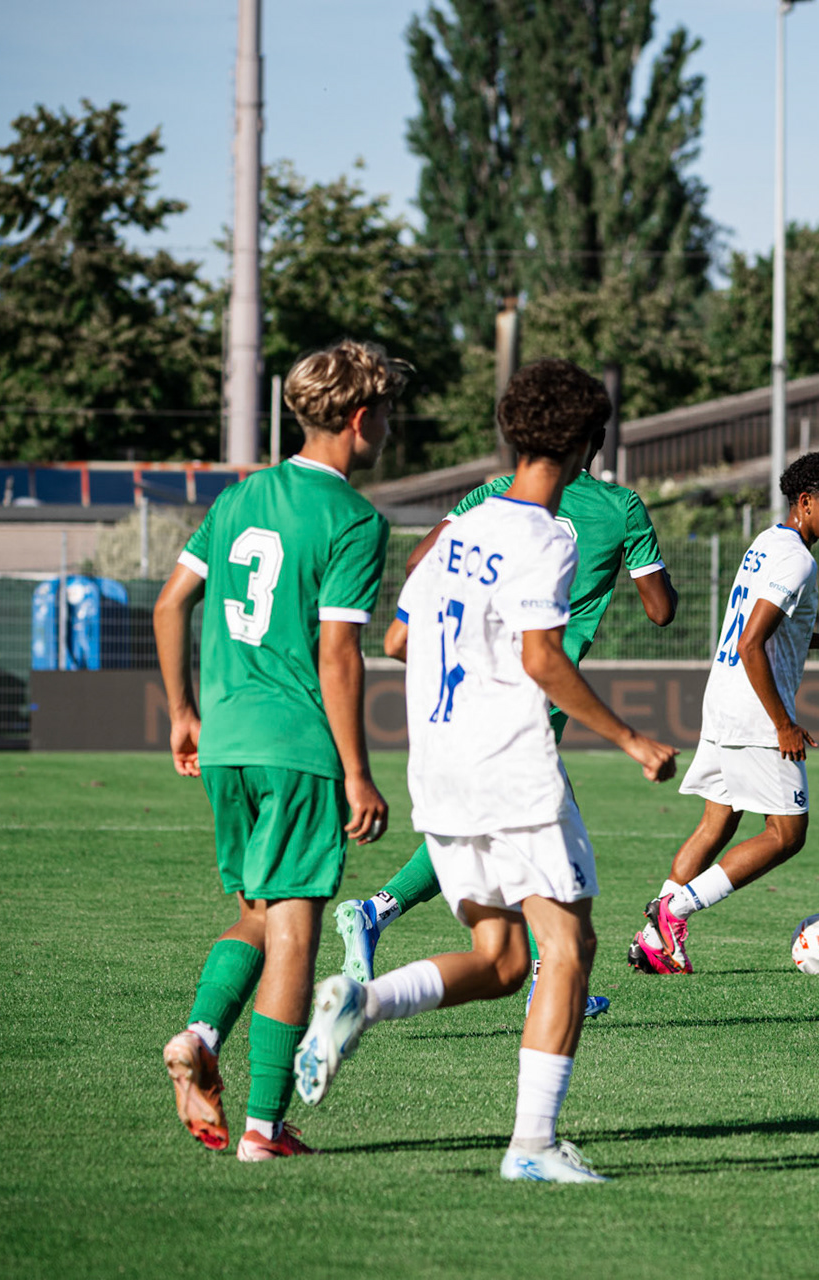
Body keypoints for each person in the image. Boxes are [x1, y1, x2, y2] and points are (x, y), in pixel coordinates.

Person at [291, 359, 679, 1184]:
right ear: (587, 444)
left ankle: (365, 1000)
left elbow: (395, 642)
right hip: (512, 768)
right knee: (568, 946)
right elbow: (543, 655)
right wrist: (630, 738)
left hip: (440, 770)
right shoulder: (552, 536)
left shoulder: (452, 535)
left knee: (504, 959)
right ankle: (532, 1148)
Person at [332, 413, 678, 1021]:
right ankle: (546, 982)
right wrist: (638, 561)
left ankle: (375, 915)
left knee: (494, 846)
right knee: (554, 871)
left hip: (467, 694)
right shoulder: (620, 506)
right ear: (593, 443)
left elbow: (420, 567)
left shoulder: (491, 495)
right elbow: (661, 611)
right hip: (536, 692)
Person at [155, 339, 402, 1161]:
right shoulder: (355, 520)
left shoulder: (241, 497)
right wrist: (359, 772)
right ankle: (263, 1128)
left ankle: (199, 1035)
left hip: (224, 740)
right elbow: (338, 655)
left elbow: (170, 604)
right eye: (388, 414)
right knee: (296, 922)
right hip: (297, 745)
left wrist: (183, 713)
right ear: (361, 421)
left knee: (262, 910)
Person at [629, 453, 819, 975]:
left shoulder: (768, 542)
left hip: (724, 699)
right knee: (786, 834)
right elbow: (752, 642)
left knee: (719, 820)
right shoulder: (798, 559)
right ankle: (674, 911)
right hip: (755, 712)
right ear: (807, 501)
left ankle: (651, 939)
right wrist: (783, 723)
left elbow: (764, 625)